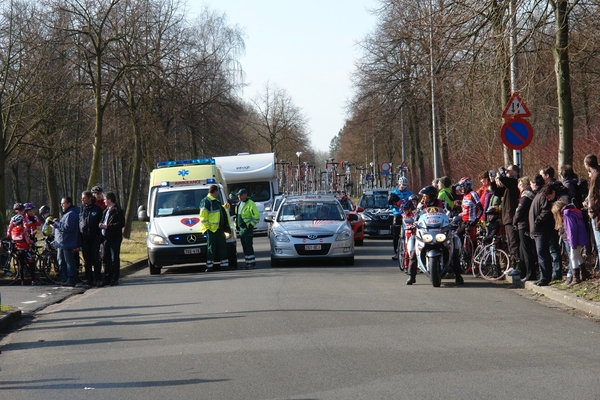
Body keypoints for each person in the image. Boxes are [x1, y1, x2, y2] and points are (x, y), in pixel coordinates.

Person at [405, 185, 462, 286]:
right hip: (426, 231)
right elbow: (416, 215)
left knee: (453, 245)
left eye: (425, 196)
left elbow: (450, 213)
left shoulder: (443, 203)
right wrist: (413, 222)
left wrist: (453, 220)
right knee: (415, 250)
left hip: (440, 230)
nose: (424, 198)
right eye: (423, 196)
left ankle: (458, 275)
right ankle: (412, 276)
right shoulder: (421, 205)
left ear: (432, 196)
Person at [552, 200, 588, 285]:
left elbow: (571, 230)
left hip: (576, 238)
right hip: (580, 236)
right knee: (577, 255)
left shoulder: (567, 214)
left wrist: (572, 243)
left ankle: (576, 278)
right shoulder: (572, 211)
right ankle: (584, 272)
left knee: (573, 256)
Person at [199, 185, 230, 272]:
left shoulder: (215, 201)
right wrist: (207, 228)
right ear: (215, 191)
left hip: (219, 228)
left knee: (222, 246)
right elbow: (203, 216)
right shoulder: (206, 201)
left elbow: (218, 211)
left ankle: (224, 265)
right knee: (211, 248)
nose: (217, 194)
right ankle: (209, 266)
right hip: (211, 229)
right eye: (217, 192)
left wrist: (225, 207)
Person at [513, 176, 537, 282]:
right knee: (524, 249)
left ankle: (530, 273)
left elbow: (520, 210)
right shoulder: (529, 194)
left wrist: (514, 221)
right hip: (524, 224)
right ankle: (524, 272)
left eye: (519, 185)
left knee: (526, 249)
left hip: (524, 224)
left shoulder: (526, 195)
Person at [99, 192, 125, 286]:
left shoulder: (118, 211)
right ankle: (107, 277)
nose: (104, 201)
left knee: (114, 259)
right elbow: (103, 221)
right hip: (105, 238)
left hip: (114, 238)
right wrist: (101, 225)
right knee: (106, 258)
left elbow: (121, 224)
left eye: (105, 199)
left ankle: (115, 278)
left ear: (110, 199)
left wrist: (107, 227)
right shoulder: (106, 211)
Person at [53, 197, 80, 286]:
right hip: (61, 242)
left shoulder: (71, 214)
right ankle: (64, 278)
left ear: (69, 204)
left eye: (63, 203)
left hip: (67, 241)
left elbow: (67, 227)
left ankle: (71, 279)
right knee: (61, 260)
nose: (61, 205)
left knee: (69, 261)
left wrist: (56, 224)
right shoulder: (67, 213)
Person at [79, 191, 104, 286]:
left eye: (84, 198)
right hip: (84, 238)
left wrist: (99, 236)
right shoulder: (81, 209)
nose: (82, 200)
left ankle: (98, 278)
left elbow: (100, 222)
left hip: (94, 237)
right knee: (87, 259)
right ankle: (88, 278)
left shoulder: (97, 209)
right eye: (82, 198)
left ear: (90, 198)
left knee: (95, 258)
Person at [10, 214, 40, 285]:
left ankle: (22, 281)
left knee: (21, 266)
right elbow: (28, 241)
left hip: (18, 250)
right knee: (31, 264)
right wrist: (32, 241)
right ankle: (34, 280)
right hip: (25, 250)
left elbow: (13, 239)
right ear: (21, 222)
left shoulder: (13, 230)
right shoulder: (24, 230)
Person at [236, 188, 260, 269]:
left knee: (248, 246)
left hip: (247, 228)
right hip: (241, 229)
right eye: (238, 195)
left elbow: (256, 216)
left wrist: (251, 225)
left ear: (245, 195)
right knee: (245, 246)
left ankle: (252, 263)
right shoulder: (239, 204)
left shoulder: (250, 203)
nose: (239, 196)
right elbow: (237, 216)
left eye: (241, 195)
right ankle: (247, 262)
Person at [584, 154, 600, 272]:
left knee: (599, 245)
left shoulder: (595, 177)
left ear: (587, 164)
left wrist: (591, 211)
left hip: (597, 215)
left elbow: (594, 198)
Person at [390, 176, 413, 260]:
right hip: (398, 213)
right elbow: (390, 205)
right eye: (402, 185)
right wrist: (396, 205)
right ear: (399, 184)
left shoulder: (409, 193)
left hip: (407, 214)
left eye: (405, 186)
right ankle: (396, 252)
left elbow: (413, 204)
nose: (403, 187)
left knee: (410, 231)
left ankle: (409, 251)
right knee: (396, 234)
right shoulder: (394, 192)